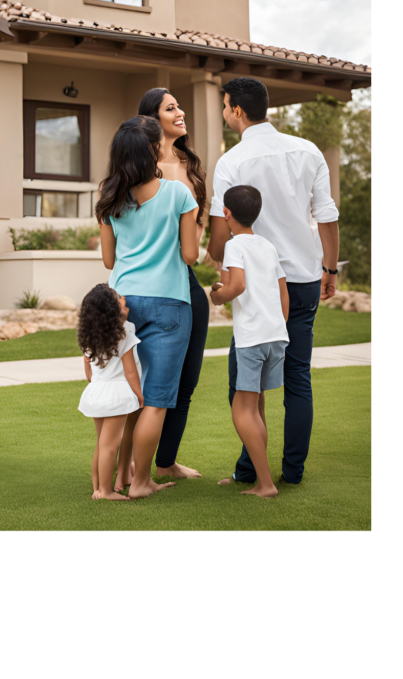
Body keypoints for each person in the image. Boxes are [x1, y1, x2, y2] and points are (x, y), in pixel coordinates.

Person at [207, 77, 339, 485]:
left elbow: (217, 237)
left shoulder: (231, 162)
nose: (225, 112)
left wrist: (219, 260)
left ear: (238, 112)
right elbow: (327, 215)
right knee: (297, 376)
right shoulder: (308, 150)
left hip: (254, 285)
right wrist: (330, 270)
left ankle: (250, 471)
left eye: (226, 106)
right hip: (300, 280)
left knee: (245, 382)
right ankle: (291, 473)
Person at [97, 115, 200, 499]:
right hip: (170, 303)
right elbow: (190, 256)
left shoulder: (109, 197)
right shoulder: (178, 194)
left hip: (123, 303)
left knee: (130, 398)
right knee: (156, 401)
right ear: (154, 149)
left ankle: (122, 476)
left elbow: (109, 260)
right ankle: (140, 483)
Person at [137, 87, 209, 480]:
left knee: (187, 381)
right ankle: (137, 464)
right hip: (151, 283)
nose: (181, 112)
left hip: (187, 280)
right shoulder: (138, 167)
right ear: (153, 118)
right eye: (171, 108)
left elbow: (196, 235)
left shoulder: (190, 164)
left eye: (179, 105)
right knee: (145, 383)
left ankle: (165, 462)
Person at [209, 185, 290, 498]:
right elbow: (281, 289)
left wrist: (217, 297)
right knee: (257, 407)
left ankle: (266, 484)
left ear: (226, 214)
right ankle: (259, 478)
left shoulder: (234, 245)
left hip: (251, 339)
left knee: (242, 410)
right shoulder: (267, 245)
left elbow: (238, 286)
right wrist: (279, 323)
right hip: (275, 336)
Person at [77, 283, 144, 501]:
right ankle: (106, 491)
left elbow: (88, 369)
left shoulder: (91, 335)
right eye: (120, 298)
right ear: (112, 309)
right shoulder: (124, 332)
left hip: (96, 391)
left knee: (101, 444)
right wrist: (140, 395)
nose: (124, 299)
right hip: (116, 394)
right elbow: (131, 371)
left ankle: (97, 488)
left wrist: (97, 381)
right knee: (109, 446)